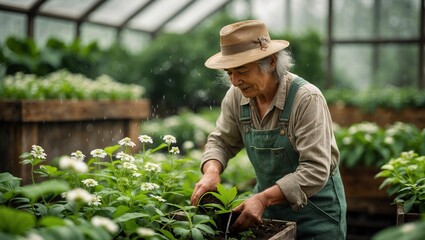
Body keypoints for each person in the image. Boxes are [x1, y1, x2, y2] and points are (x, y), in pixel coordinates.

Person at [190, 19, 347, 239]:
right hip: (267, 213)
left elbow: (315, 168)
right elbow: (221, 141)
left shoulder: (306, 99)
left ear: (271, 62)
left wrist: (263, 198)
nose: (235, 81)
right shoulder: (236, 97)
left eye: (242, 71)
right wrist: (212, 171)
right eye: (229, 73)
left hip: (316, 215)